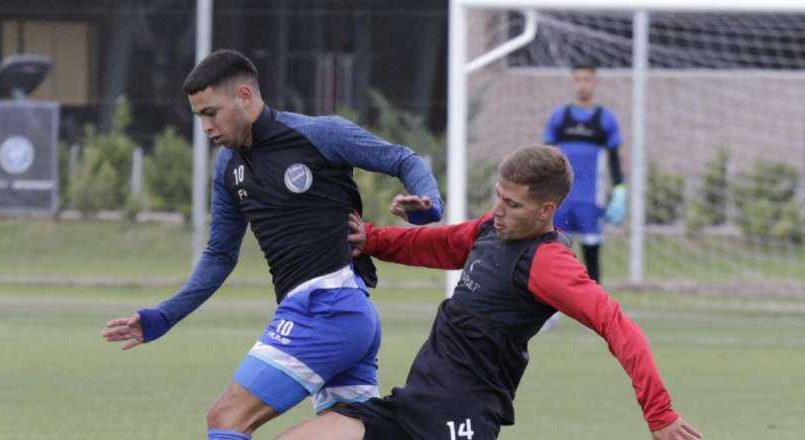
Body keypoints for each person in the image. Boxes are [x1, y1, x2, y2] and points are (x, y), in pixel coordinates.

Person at [101, 49, 444, 440]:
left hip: (327, 308)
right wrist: (165, 316)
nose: (206, 127)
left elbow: (403, 159)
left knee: (226, 419)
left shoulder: (319, 135)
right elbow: (219, 255)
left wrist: (428, 206)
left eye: (211, 113)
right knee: (346, 432)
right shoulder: (228, 166)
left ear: (245, 96)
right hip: (339, 315)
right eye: (199, 117)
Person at [277, 146, 700, 440]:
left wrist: (659, 413)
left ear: (546, 211)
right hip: (410, 409)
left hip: (461, 422)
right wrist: (371, 239)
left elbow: (618, 326)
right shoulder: (490, 230)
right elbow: (440, 244)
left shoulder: (549, 263)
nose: (498, 210)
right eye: (499, 196)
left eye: (512, 204)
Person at [544, 63, 625, 285]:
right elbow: (546, 158)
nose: (582, 84)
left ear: (595, 83)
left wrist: (619, 190)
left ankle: (594, 303)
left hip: (591, 200)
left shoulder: (605, 119)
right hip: (562, 200)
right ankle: (552, 303)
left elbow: (615, 158)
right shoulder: (559, 117)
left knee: (592, 255)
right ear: (573, 82)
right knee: (556, 255)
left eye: (587, 79)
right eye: (578, 79)